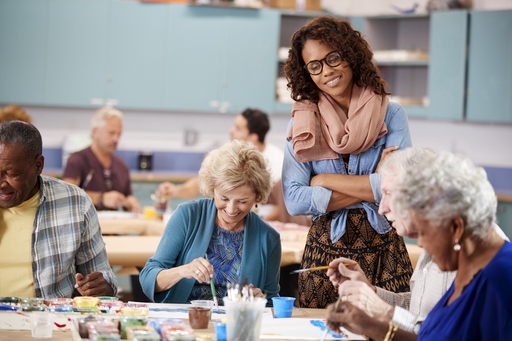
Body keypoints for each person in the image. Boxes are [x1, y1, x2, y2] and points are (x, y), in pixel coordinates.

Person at [282, 15, 413, 308]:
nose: (326, 71)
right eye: (315, 66)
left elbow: (402, 188)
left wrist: (324, 180)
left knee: (389, 329)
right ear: (307, 73)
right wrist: (373, 183)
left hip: (383, 250)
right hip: (324, 257)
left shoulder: (391, 115)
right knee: (318, 332)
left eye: (333, 58)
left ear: (350, 56)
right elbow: (294, 200)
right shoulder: (303, 125)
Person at [325, 151, 512, 341]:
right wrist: (372, 321)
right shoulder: (469, 262)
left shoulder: (498, 277)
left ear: (455, 227)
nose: (421, 243)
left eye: (424, 232)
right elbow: (431, 332)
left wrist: (378, 321)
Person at [139, 140, 281, 305]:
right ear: (212, 188)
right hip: (185, 321)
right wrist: (183, 271)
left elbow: (271, 301)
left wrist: (260, 300)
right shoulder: (188, 216)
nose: (231, 209)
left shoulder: (268, 238)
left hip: (236, 324)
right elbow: (148, 278)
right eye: (224, 198)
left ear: (257, 196)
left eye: (242, 201)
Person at [0, 120, 118, 298]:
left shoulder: (75, 203)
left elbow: (103, 277)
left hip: (49, 321)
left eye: (12, 174)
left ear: (38, 165)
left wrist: (101, 287)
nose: (1, 183)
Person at [156, 108, 309, 224]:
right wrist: (176, 190)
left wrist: (252, 226)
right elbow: (202, 182)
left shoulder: (278, 163)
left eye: (238, 128)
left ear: (253, 137)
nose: (231, 130)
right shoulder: (232, 154)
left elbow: (281, 209)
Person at [62, 106, 141, 213]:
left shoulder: (122, 166)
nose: (116, 139)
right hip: (85, 228)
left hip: (114, 227)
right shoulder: (77, 160)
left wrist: (130, 203)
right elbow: (66, 197)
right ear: (95, 131)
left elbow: (128, 197)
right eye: (111, 133)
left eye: (119, 134)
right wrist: (101, 199)